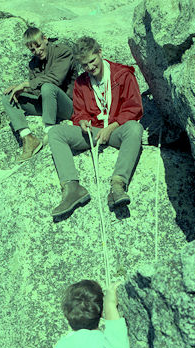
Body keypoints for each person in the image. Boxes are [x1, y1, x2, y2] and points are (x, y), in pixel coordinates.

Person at [48, 36, 144, 218]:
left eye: (92, 61)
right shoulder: (81, 82)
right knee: (56, 132)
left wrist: (111, 127)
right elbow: (79, 112)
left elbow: (134, 108)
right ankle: (72, 188)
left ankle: (117, 185)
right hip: (93, 131)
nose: (90, 67)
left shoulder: (123, 74)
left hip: (117, 129)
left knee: (135, 129)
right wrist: (82, 121)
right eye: (85, 65)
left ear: (100, 53)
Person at [2, 27, 77, 162]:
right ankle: (28, 139)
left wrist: (27, 84)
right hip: (47, 104)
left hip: (68, 106)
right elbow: (37, 90)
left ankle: (50, 130)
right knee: (9, 97)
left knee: (48, 87)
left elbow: (55, 80)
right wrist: (21, 90)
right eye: (32, 49)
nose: (37, 51)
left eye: (38, 45)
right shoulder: (33, 63)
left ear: (45, 39)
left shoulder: (63, 52)